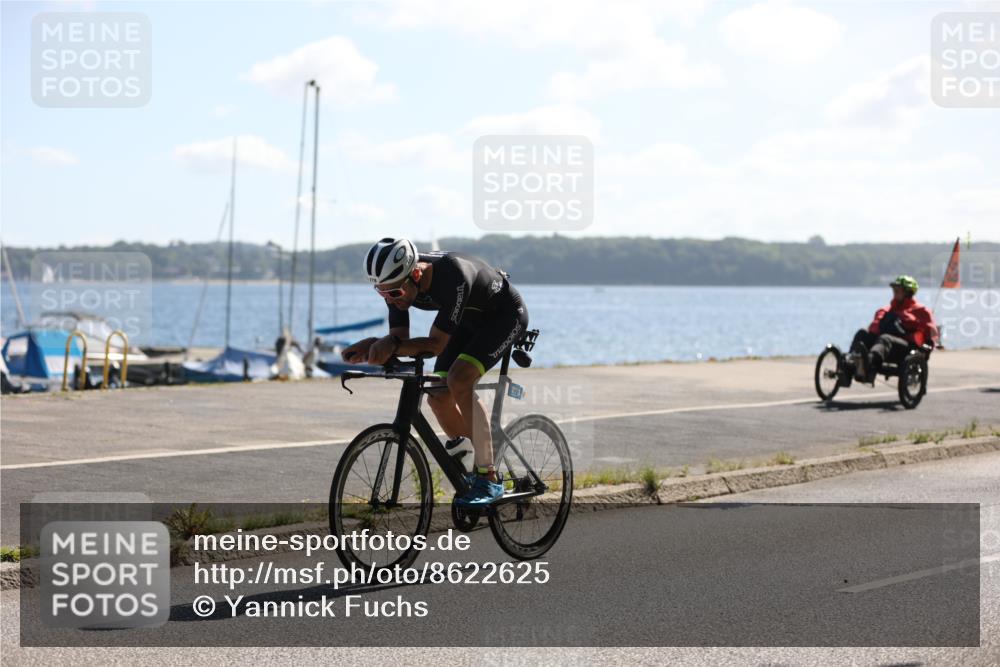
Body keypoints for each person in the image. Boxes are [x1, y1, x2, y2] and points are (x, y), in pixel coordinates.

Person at [340, 237, 528, 505]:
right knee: (438, 396)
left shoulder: (453, 276)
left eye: (394, 293)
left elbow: (436, 345)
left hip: (503, 316)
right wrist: (374, 347)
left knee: (460, 380)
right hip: (466, 320)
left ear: (415, 273)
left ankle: (489, 479)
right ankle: (473, 455)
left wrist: (389, 345)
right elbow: (399, 338)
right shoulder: (396, 282)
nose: (391, 300)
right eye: (382, 294)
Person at [849, 275, 939, 382]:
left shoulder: (921, 311)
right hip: (884, 346)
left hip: (906, 347)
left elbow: (931, 331)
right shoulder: (887, 310)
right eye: (894, 290)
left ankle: (870, 361)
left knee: (885, 338)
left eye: (898, 290)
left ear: (907, 293)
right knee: (862, 333)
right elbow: (875, 327)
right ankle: (851, 360)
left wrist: (929, 346)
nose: (894, 293)